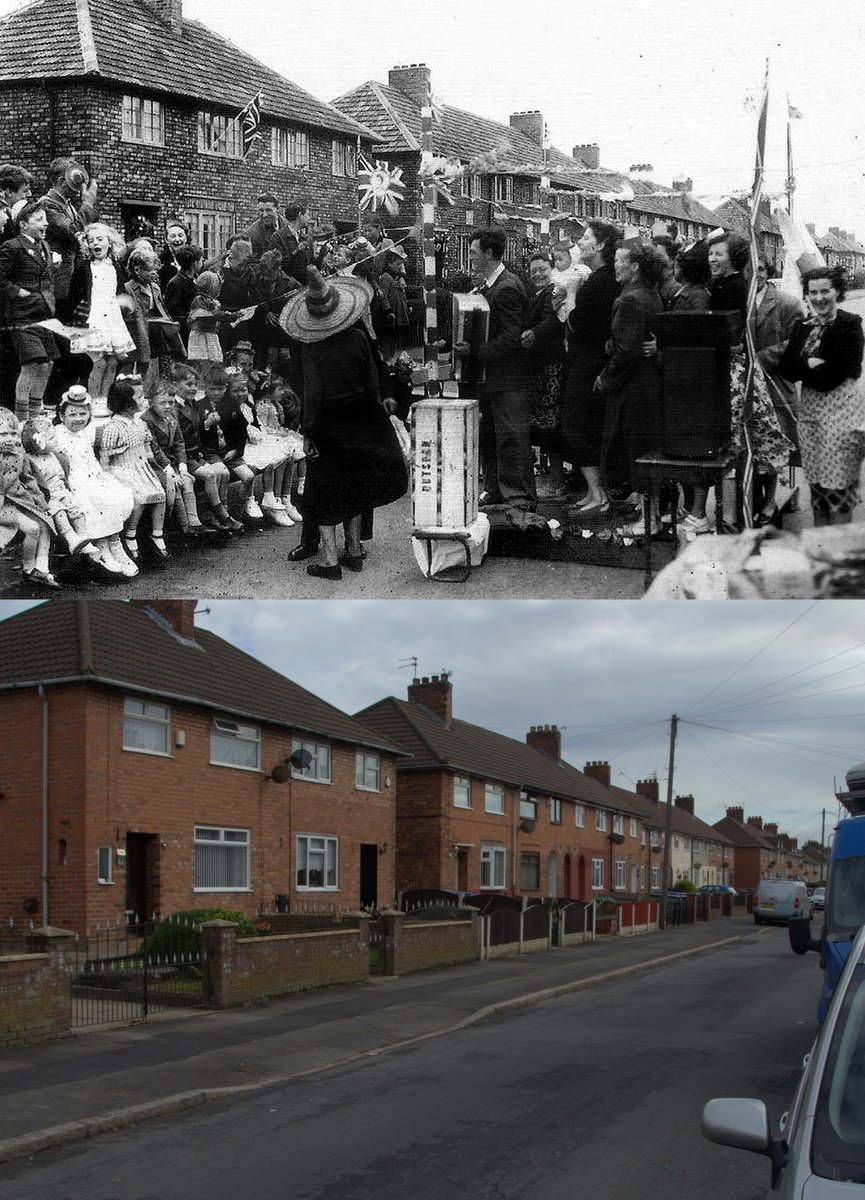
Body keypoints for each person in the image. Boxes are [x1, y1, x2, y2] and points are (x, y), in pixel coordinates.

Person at [279, 266, 407, 579]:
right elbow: (373, 382)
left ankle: (329, 560)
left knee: (323, 491)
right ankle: (353, 549)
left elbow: (314, 394)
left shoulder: (312, 347)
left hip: (329, 424)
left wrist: (308, 433)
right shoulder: (359, 337)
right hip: (363, 418)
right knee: (356, 486)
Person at [453, 227, 535, 510]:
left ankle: (519, 500)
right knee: (490, 436)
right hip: (492, 379)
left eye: (474, 253)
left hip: (508, 380)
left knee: (511, 438)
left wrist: (474, 353)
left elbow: (511, 338)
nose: (471, 258)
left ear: (488, 253)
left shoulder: (507, 287)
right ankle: (496, 490)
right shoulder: (493, 285)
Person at [779, 265, 864, 525]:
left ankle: (839, 558)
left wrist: (805, 365)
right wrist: (811, 364)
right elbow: (786, 369)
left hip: (842, 419)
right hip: (811, 419)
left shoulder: (850, 324)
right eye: (813, 292)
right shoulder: (803, 326)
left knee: (838, 491)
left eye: (825, 291)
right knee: (816, 487)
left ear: (837, 291)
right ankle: (819, 555)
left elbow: (840, 373)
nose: (819, 298)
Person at [596, 240, 665, 536]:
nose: (615, 265)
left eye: (620, 261)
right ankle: (649, 513)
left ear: (635, 267)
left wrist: (605, 378)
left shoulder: (630, 300)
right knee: (646, 448)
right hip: (648, 382)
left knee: (638, 451)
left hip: (633, 387)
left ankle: (648, 521)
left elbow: (627, 351)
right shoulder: (651, 294)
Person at [558, 219, 622, 513]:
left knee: (577, 424)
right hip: (596, 361)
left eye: (585, 238)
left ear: (600, 245)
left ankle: (598, 494)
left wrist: (571, 293)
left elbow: (575, 324)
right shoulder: (608, 279)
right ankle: (595, 492)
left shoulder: (597, 282)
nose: (579, 243)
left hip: (586, 363)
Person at [48, 384, 137, 576]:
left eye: (82, 414)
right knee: (91, 500)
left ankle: (115, 544)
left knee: (113, 495)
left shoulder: (85, 434)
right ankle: (103, 547)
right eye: (72, 414)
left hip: (91, 476)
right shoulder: (56, 435)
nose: (78, 419)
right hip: (71, 481)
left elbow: (91, 459)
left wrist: (101, 475)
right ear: (62, 416)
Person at [750, 253, 804, 524]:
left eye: (761, 269)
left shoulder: (787, 303)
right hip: (749, 388)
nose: (756, 274)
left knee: (773, 447)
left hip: (775, 385)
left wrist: (757, 359)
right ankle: (753, 501)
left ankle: (770, 501)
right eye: (751, 269)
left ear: (768, 271)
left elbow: (795, 345)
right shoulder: (742, 302)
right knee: (751, 446)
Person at [0, 200, 60, 422]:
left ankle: (36, 413)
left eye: (45, 219)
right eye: (39, 220)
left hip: (43, 315)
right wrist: (19, 293)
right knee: (32, 364)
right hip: (22, 317)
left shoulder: (44, 247)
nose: (45, 224)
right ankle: (23, 417)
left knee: (48, 364)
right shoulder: (12, 246)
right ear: (23, 224)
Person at [99, 375, 169, 562]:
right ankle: (130, 534)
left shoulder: (140, 423)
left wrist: (157, 464)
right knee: (139, 498)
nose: (144, 400)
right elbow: (105, 456)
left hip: (141, 467)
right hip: (122, 469)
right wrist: (106, 477)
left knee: (160, 494)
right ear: (127, 404)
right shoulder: (114, 427)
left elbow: (147, 448)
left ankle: (157, 533)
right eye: (139, 397)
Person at [66, 221, 136, 405]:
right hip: (92, 320)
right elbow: (73, 296)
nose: (96, 244)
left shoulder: (115, 267)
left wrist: (125, 303)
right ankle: (92, 401)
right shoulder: (84, 267)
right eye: (91, 240)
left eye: (100, 239)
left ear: (109, 242)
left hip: (111, 321)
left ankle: (104, 401)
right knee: (100, 363)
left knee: (112, 362)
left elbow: (120, 291)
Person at [168, 362, 243, 532]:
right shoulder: (173, 408)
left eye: (195, 384)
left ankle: (216, 515)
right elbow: (178, 440)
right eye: (188, 384)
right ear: (175, 385)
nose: (194, 388)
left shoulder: (191, 403)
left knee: (220, 472)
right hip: (184, 457)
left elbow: (198, 431)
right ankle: (219, 515)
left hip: (196, 454)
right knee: (210, 474)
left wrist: (207, 425)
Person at [520, 251, 568, 499]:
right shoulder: (536, 295)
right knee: (544, 426)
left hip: (552, 368)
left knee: (551, 427)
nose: (537, 274)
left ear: (551, 270)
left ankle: (557, 483)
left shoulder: (555, 292)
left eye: (542, 269)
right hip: (539, 368)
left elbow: (553, 322)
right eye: (534, 270)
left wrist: (533, 333)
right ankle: (552, 479)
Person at [0, 408, 61, 587]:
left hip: (15, 501)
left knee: (37, 526)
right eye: (3, 434)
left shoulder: (19, 454)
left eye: (13, 434)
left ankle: (30, 569)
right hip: (3, 504)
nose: (10, 439)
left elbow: (29, 479)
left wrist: (40, 501)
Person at [141, 387, 208, 539]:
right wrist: (170, 470)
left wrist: (182, 467)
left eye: (170, 402)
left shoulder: (171, 416)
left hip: (173, 462)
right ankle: (185, 526)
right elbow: (155, 449)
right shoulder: (147, 420)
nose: (167, 406)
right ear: (151, 403)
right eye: (162, 403)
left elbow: (179, 442)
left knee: (187, 481)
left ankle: (194, 522)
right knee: (175, 485)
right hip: (157, 465)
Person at [39, 157, 98, 318]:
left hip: (71, 280)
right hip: (58, 282)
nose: (79, 190)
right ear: (61, 181)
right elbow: (73, 232)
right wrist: (88, 205)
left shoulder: (68, 205)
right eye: (75, 183)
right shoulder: (47, 204)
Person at [163, 244, 203, 338]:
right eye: (201, 260)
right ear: (194, 264)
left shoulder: (195, 279)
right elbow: (173, 311)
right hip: (184, 332)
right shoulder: (176, 283)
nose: (203, 262)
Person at [269, 202, 312, 285]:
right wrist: (296, 251)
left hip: (304, 289)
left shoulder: (304, 238)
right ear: (300, 215)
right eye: (307, 215)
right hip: (287, 290)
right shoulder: (278, 237)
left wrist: (321, 254)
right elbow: (277, 265)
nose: (309, 218)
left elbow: (308, 266)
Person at [242, 193, 284, 259]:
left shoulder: (289, 225)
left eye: (268, 210)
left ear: (278, 209)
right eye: (261, 210)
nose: (264, 215)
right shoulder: (252, 235)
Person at [0, 163, 32, 244]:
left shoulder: (8, 211)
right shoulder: (2, 216)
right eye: (25, 191)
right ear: (9, 192)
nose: (29, 194)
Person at [158, 220, 192, 293]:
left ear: (186, 238)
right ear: (166, 240)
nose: (177, 240)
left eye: (180, 235)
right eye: (173, 236)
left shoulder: (192, 258)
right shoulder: (161, 260)